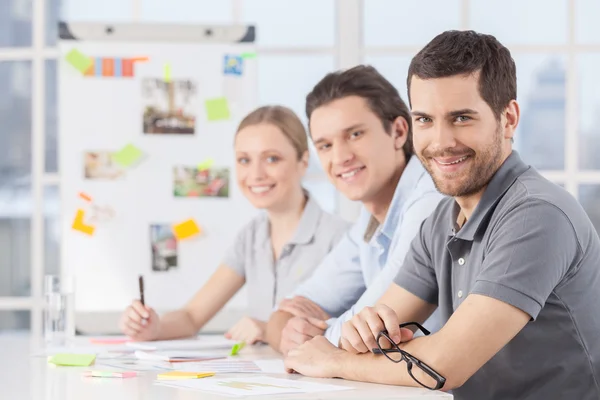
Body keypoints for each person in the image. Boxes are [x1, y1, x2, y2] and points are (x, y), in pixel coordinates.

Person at [283, 30, 600, 400]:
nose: (441, 142)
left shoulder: (536, 215)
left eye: (461, 118)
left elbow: (443, 365)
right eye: (425, 120)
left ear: (509, 118)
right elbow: (372, 338)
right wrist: (361, 333)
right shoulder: (440, 223)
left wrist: (334, 361)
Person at [119, 105, 351, 344]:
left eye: (272, 159)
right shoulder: (252, 236)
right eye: (244, 160)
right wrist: (153, 327)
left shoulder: (342, 238)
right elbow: (191, 316)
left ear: (303, 161)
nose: (256, 174)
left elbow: (350, 332)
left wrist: (269, 330)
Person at [265, 66, 444, 354]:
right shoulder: (369, 221)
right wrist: (290, 333)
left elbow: (369, 331)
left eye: (355, 134)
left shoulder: (432, 199)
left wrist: (318, 337)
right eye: (325, 145)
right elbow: (282, 314)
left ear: (398, 132)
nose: (340, 157)